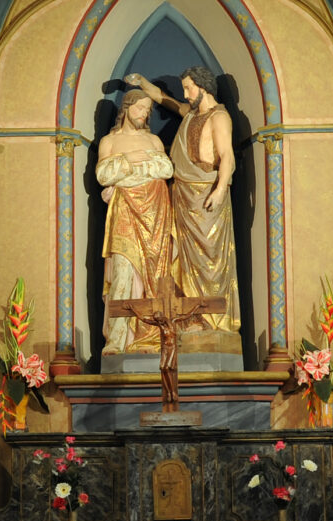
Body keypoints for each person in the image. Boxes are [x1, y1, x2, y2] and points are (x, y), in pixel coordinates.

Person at [125, 66, 241, 355]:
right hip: (182, 195)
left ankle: (212, 320)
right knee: (183, 259)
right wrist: (141, 81)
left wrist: (220, 189)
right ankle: (191, 318)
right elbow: (163, 98)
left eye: (189, 88)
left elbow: (227, 156)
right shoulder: (190, 114)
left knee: (210, 258)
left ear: (204, 87)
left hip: (207, 196)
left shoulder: (219, 117)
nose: (186, 94)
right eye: (185, 88)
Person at [94, 90, 177, 357]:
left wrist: (123, 175)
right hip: (125, 214)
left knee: (155, 274)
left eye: (147, 110)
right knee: (123, 272)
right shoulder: (110, 141)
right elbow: (103, 174)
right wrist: (127, 161)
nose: (143, 113)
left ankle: (155, 337)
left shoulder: (153, 140)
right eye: (139, 108)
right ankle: (118, 340)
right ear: (126, 108)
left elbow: (165, 169)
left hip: (155, 214)